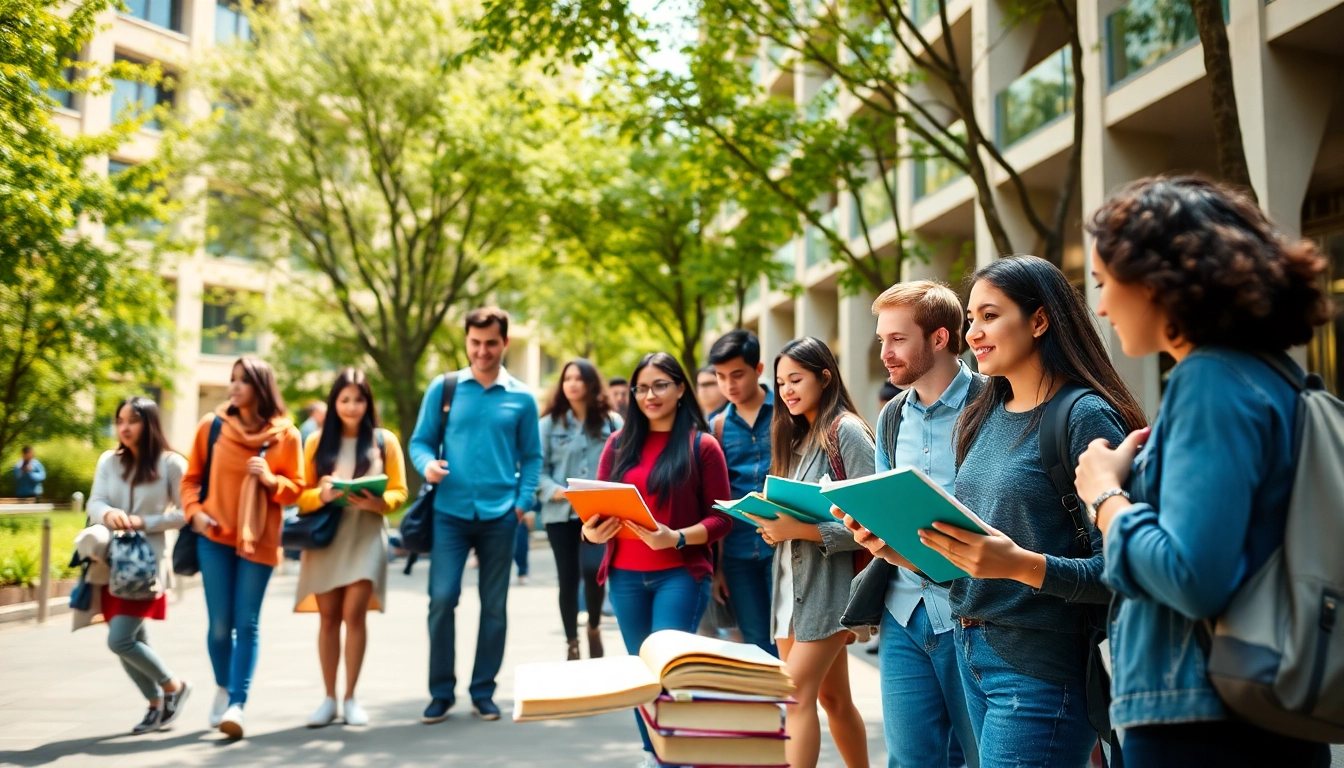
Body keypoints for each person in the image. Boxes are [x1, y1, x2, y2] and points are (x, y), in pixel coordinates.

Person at [1077, 176, 1333, 767]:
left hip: (1199, 721)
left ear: (1156, 283)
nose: (1101, 304)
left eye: (1104, 282)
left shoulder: (1209, 380)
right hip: (1262, 706)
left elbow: (1192, 576)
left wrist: (1105, 494)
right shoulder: (1274, 378)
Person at [914, 256, 1146, 768]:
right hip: (972, 652)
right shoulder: (985, 413)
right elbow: (977, 557)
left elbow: (1123, 567)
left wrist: (1017, 564)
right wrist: (900, 546)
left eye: (990, 316)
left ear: (1039, 321)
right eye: (971, 318)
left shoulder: (1085, 416)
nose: (973, 332)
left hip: (1040, 670)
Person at [837, 281, 979, 768]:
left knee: (982, 756)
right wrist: (867, 525)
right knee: (909, 761)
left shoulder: (993, 405)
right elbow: (884, 502)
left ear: (939, 338)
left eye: (897, 339)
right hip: (904, 614)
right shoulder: (892, 417)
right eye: (881, 341)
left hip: (972, 614)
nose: (886, 354)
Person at [584, 352, 731, 766]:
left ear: (681, 388)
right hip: (625, 577)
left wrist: (678, 538)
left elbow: (723, 519)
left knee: (667, 673)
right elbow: (596, 510)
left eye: (660, 385)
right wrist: (589, 531)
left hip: (680, 576)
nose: (650, 395)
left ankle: (675, 756)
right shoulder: (618, 444)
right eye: (642, 387)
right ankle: (655, 754)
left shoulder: (702, 446)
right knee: (641, 677)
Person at [409, 307, 543, 725]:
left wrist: (521, 504)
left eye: (491, 343)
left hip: (501, 515)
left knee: (494, 607)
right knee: (442, 598)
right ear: (467, 341)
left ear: (504, 342)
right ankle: (441, 692)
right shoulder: (443, 388)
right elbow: (420, 442)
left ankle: (483, 691)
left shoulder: (521, 397)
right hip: (449, 513)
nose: (482, 351)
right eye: (475, 343)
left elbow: (533, 457)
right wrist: (426, 464)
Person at [745, 337, 871, 768]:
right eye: (780, 383)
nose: (787, 390)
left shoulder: (847, 432)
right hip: (790, 591)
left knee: (793, 696)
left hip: (829, 592)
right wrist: (775, 528)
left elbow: (874, 525)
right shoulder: (795, 438)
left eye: (796, 379)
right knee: (833, 699)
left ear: (825, 376)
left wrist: (798, 529)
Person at [182, 356, 304, 739]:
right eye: (232, 380)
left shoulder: (286, 436)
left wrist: (270, 480)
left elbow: (296, 490)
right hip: (214, 537)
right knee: (220, 626)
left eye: (242, 380)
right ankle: (223, 686)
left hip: (260, 539)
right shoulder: (212, 426)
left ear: (261, 387)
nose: (233, 387)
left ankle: (237, 703)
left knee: (246, 623)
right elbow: (190, 479)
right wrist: (196, 514)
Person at [295, 368, 409, 728]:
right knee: (328, 618)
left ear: (368, 403)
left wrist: (380, 503)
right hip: (326, 539)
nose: (352, 406)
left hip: (366, 536)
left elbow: (400, 492)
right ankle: (328, 698)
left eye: (359, 399)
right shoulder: (314, 443)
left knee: (355, 614)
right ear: (334, 403)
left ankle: (351, 697)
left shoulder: (383, 441)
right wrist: (322, 494)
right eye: (344, 399)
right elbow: (299, 495)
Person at [84, 397, 192, 735]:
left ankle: (174, 687)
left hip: (145, 567)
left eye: (133, 420)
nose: (125, 427)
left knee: (120, 640)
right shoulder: (108, 461)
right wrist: (108, 514)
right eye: (120, 420)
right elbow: (95, 500)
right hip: (109, 563)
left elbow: (186, 513)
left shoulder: (172, 464)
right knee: (132, 639)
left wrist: (142, 521)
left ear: (150, 423)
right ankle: (155, 704)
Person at [536, 358, 622, 660]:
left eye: (578, 378)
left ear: (590, 384)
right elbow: (538, 470)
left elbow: (624, 467)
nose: (571, 383)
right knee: (567, 577)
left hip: (598, 513)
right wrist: (558, 492)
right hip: (560, 514)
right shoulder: (547, 425)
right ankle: (571, 642)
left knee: (593, 570)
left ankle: (594, 627)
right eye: (566, 378)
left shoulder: (612, 422)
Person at [706, 329, 777, 655]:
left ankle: (795, 706)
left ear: (758, 370)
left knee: (791, 637)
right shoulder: (717, 426)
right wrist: (717, 566)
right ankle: (776, 707)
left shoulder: (787, 414)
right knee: (756, 640)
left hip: (785, 545)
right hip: (737, 552)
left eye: (737, 375)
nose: (729, 385)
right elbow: (715, 501)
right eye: (721, 377)